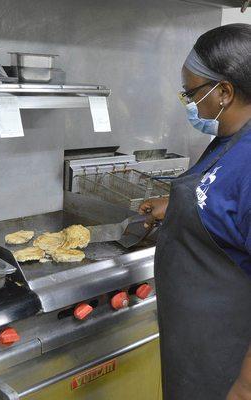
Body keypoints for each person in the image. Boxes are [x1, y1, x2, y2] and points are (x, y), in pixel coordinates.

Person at [139, 23, 251, 400]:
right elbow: (225, 204)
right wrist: (178, 208)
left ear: (224, 92)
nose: (187, 102)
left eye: (191, 92)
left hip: (228, 366)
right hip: (194, 350)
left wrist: (245, 386)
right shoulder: (231, 136)